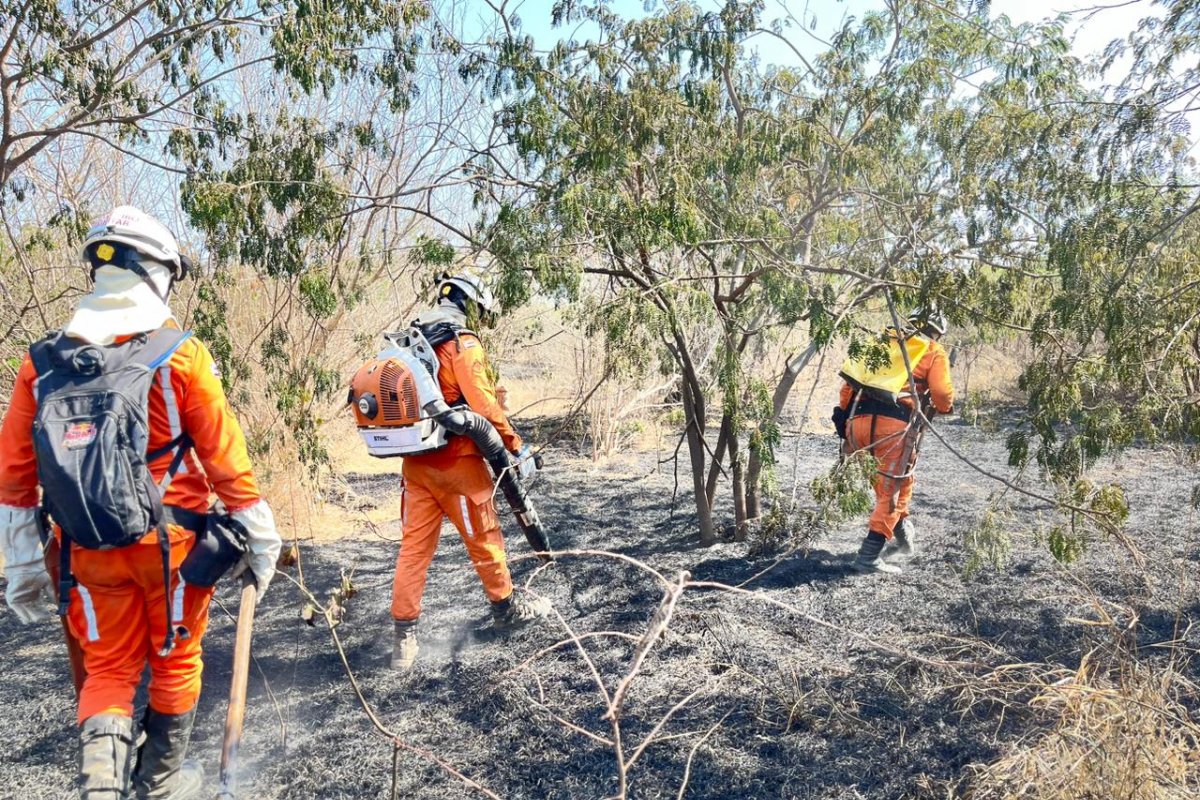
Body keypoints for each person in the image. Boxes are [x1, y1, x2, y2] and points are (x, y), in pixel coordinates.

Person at [0, 206, 282, 799]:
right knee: (176, 659)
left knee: (107, 669)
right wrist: (260, 538)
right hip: (173, 551)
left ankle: (101, 790)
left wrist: (23, 564)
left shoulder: (41, 365)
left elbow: (14, 479)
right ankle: (161, 783)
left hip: (87, 550)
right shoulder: (180, 355)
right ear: (157, 274)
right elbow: (226, 460)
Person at [390, 271, 548, 670]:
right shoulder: (462, 342)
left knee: (414, 550)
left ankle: (404, 640)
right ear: (471, 304)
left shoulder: (415, 337)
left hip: (416, 465)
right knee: (484, 537)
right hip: (458, 462)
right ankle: (505, 608)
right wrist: (516, 444)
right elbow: (479, 403)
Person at [833, 309, 955, 574]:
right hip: (894, 428)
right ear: (936, 331)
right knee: (891, 491)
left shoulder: (881, 342)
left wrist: (846, 426)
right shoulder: (932, 350)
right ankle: (868, 558)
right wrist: (945, 407)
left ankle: (902, 537)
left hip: (857, 423)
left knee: (894, 485)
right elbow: (942, 394)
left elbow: (848, 387)